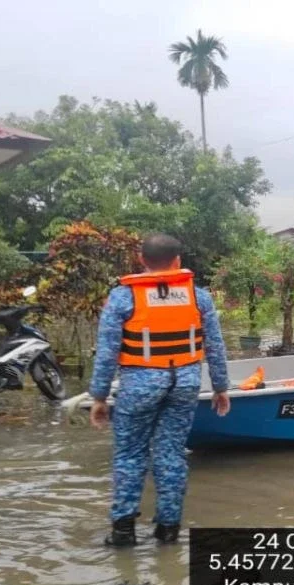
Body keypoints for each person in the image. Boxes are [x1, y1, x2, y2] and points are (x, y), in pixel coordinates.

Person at [88, 233, 231, 547]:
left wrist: (98, 396)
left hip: (139, 387)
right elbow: (216, 347)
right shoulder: (198, 297)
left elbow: (107, 351)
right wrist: (221, 387)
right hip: (185, 385)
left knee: (130, 455)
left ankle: (123, 532)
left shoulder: (123, 297)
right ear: (178, 262)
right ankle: (168, 531)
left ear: (141, 260)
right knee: (171, 455)